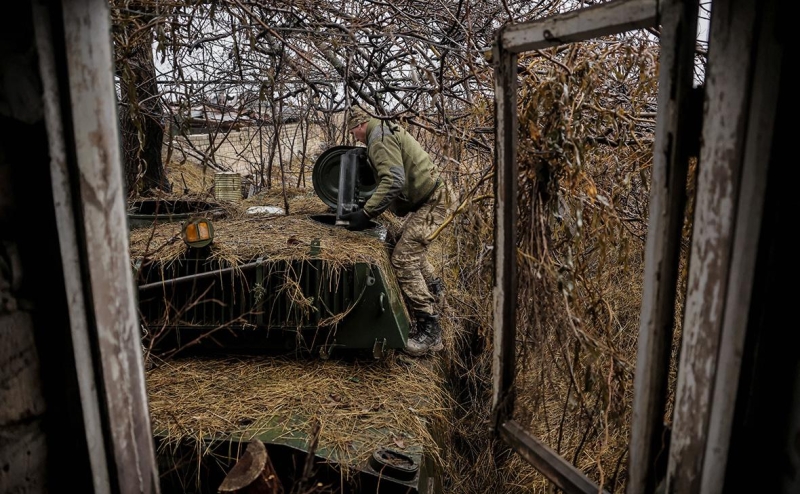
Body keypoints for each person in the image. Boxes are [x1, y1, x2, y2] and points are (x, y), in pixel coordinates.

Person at [340, 106, 455, 357]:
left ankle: (430, 331)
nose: (354, 137)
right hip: (433, 197)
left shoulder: (378, 138)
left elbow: (393, 180)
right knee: (410, 250)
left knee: (403, 259)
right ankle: (438, 297)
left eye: (353, 132)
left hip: (434, 201)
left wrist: (366, 214)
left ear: (360, 125)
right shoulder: (381, 129)